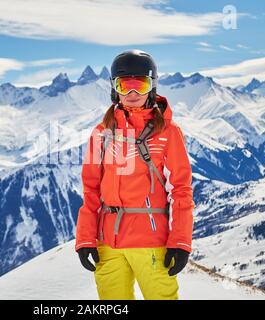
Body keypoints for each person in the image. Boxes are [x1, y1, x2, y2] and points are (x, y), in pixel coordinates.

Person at [75, 49, 195, 300]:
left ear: (151, 87)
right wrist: (86, 238)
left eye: (139, 85)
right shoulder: (101, 133)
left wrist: (180, 241)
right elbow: (91, 189)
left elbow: (182, 188)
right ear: (114, 88)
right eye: (124, 84)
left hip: (150, 242)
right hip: (108, 243)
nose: (131, 93)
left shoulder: (168, 133)